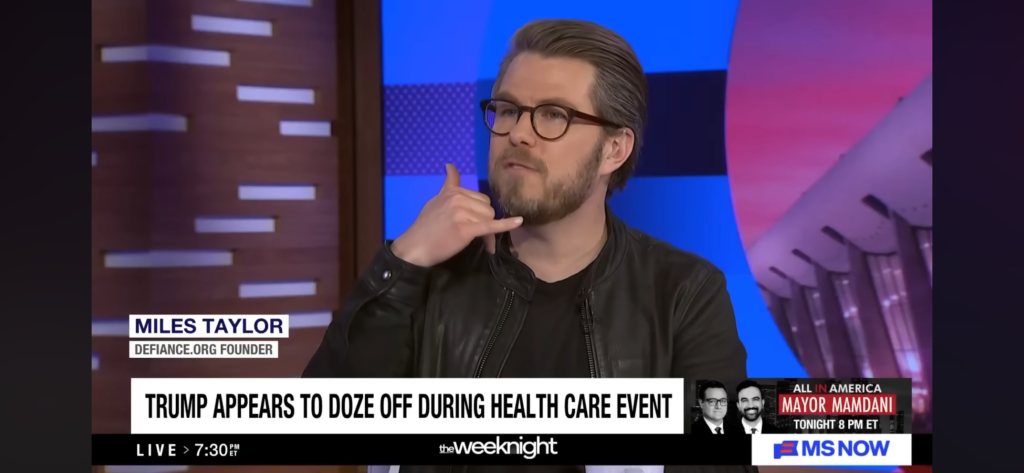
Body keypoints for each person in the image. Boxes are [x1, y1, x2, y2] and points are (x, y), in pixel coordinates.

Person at [304, 18, 751, 473]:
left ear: (614, 149)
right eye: (508, 110)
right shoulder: (429, 274)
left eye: (554, 115)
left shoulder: (685, 292)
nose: (518, 132)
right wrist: (404, 259)